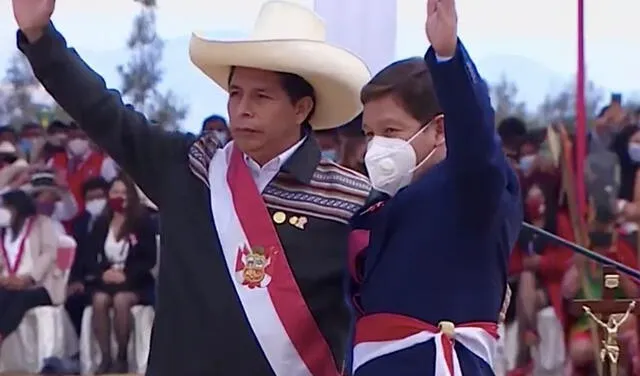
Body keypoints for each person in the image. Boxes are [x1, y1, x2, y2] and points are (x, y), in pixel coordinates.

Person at [13, 1, 372, 374]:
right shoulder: (193, 166)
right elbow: (105, 114)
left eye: (261, 97)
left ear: (301, 109)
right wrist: (41, 38)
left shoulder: (348, 198)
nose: (242, 109)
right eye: (235, 93)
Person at [347, 0, 522, 374]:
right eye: (369, 134)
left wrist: (448, 59)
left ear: (440, 129)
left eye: (391, 132)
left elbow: (477, 143)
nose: (376, 146)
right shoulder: (373, 210)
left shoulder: (473, 191)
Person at [85, 174, 156, 374]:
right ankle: (105, 357)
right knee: (99, 301)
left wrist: (127, 275)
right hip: (107, 279)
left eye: (124, 192)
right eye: (115, 192)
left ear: (131, 196)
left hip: (135, 281)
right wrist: (102, 274)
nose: (120, 196)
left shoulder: (143, 222)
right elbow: (89, 256)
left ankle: (122, 357)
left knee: (121, 301)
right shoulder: (101, 223)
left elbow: (149, 258)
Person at [0, 190, 62, 349]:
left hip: (38, 284)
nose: (3, 211)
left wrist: (28, 279)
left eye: (7, 207)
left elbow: (49, 254)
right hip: (7, 283)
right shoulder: (2, 231)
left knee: (20, 298)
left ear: (18, 207)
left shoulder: (42, 223)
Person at [66, 176, 110, 337]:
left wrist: (93, 279)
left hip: (105, 277)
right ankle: (80, 346)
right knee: (72, 301)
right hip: (83, 278)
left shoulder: (114, 220)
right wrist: (75, 280)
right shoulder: (80, 222)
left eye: (99, 197)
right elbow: (77, 256)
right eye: (90, 198)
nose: (95, 202)